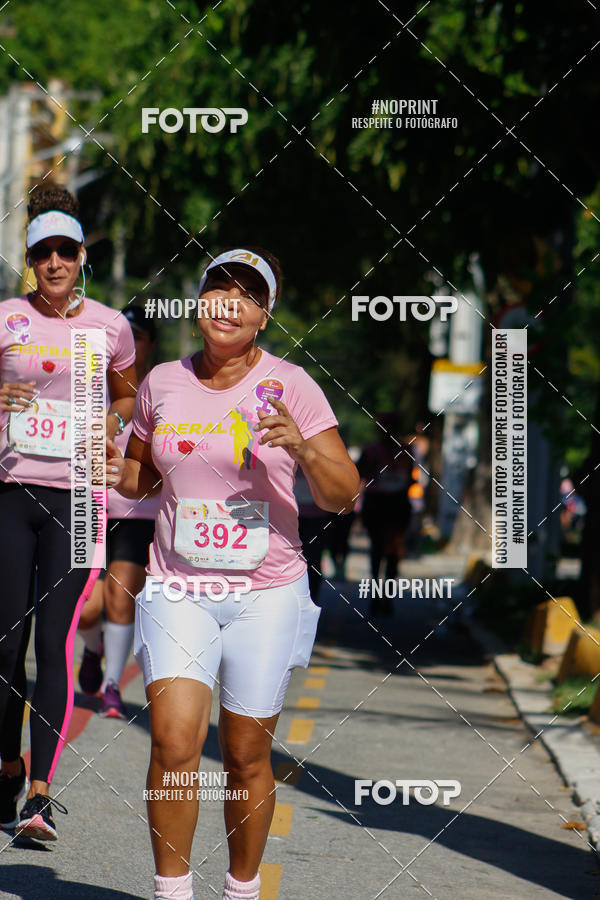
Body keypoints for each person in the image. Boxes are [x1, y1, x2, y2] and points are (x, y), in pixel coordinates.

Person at [108, 247, 359, 900]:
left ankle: (241, 890)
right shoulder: (162, 382)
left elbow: (342, 494)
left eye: (248, 295)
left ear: (264, 316)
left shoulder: (292, 385)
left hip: (265, 594)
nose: (230, 304)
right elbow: (141, 478)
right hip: (178, 586)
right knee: (173, 745)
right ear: (200, 302)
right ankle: (172, 892)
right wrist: (111, 466)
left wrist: (303, 448)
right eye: (220, 289)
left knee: (246, 756)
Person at [0, 186, 136, 841]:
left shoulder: (111, 327)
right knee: (7, 642)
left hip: (79, 500)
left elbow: (130, 397)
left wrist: (111, 424)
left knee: (54, 640)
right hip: (10, 492)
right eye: (42, 253)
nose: (54, 262)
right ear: (30, 260)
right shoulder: (5, 318)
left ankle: (40, 795)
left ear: (82, 256)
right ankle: (7, 764)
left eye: (65, 251)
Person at [78, 305, 158, 718]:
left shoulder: (161, 386)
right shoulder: (89, 383)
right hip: (86, 505)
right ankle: (93, 649)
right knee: (87, 608)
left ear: (149, 344)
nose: (129, 341)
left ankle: (112, 686)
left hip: (137, 511)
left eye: (138, 335)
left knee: (122, 595)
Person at [357, 412, 413, 615]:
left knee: (392, 550)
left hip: (396, 505)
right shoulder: (371, 451)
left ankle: (386, 597)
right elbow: (359, 474)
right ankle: (377, 595)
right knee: (378, 549)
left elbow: (410, 476)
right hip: (377, 504)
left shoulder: (405, 450)